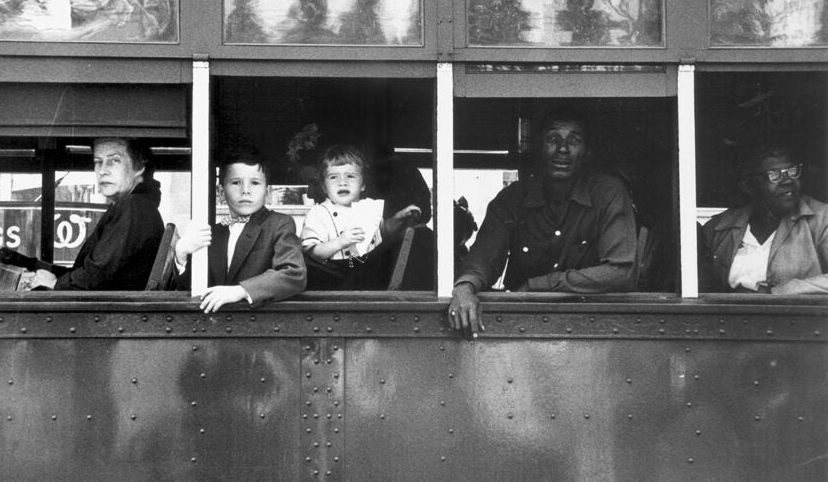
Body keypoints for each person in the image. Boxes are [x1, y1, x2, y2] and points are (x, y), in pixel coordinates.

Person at [449, 107, 638, 336]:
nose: (563, 149)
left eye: (574, 140)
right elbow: (483, 258)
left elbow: (620, 271)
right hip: (522, 329)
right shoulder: (512, 199)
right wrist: (464, 288)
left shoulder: (608, 194)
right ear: (539, 147)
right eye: (553, 139)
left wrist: (538, 285)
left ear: (586, 151)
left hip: (593, 329)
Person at [174, 146, 306, 312]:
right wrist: (182, 255)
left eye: (255, 183)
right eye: (236, 182)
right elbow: (188, 289)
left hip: (262, 325)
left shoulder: (279, 223)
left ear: (267, 191)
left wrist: (240, 291)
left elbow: (293, 274)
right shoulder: (212, 233)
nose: (245, 191)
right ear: (221, 192)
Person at [29, 137, 164, 290]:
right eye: (98, 162)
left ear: (139, 167)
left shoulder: (133, 206)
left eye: (114, 161)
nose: (102, 171)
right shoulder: (138, 205)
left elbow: (98, 272)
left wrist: (54, 284)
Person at [700, 143, 828, 294]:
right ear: (748, 185)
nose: (788, 180)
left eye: (792, 171)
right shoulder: (719, 228)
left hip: (793, 317)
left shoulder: (822, 219)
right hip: (731, 316)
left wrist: (784, 291)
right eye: (774, 174)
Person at [300, 144, 420, 289]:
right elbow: (313, 252)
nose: (342, 182)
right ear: (324, 187)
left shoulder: (368, 208)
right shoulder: (319, 213)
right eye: (333, 177)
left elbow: (383, 232)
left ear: (363, 185)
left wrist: (399, 218)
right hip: (331, 274)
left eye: (350, 176)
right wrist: (340, 241)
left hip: (364, 271)